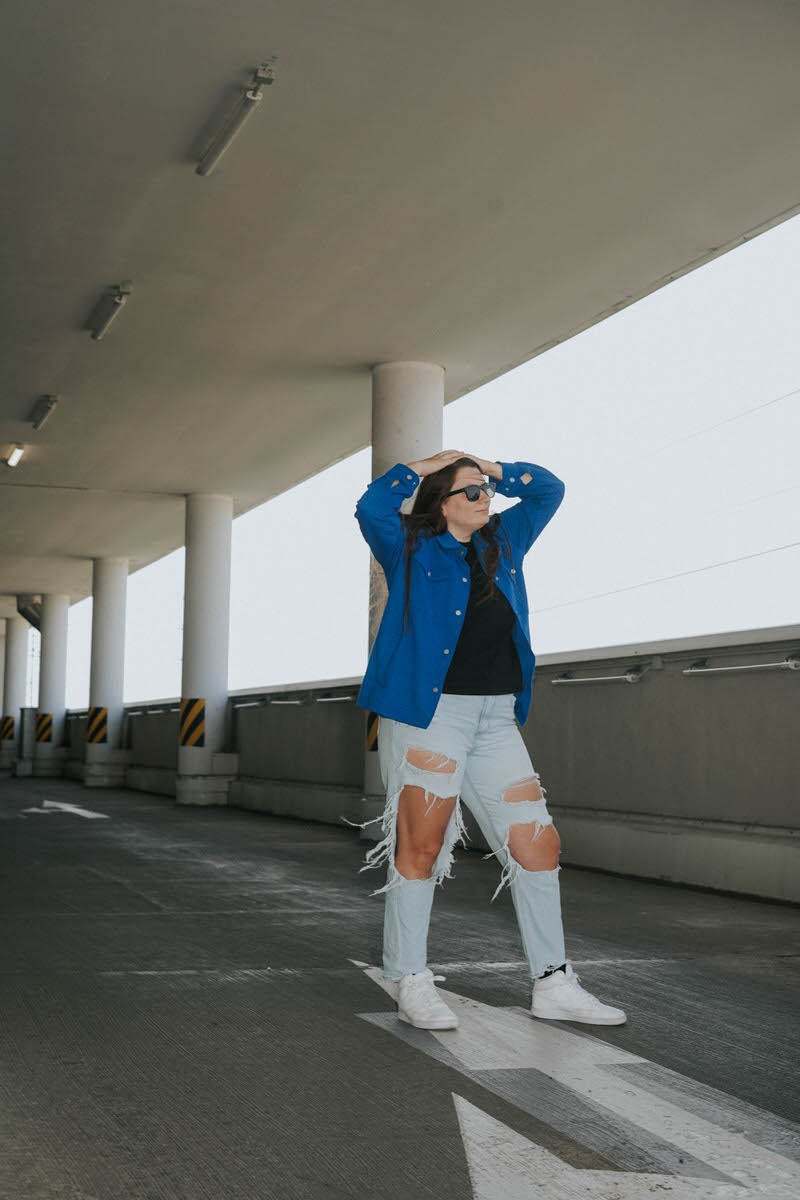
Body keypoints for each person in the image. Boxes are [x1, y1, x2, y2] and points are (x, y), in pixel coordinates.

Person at [347, 449, 626, 1030]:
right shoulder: (410, 546)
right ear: (441, 503)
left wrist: (493, 467)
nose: (485, 499)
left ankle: (553, 982)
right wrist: (424, 467)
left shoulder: (505, 541)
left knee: (537, 843)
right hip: (432, 716)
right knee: (421, 844)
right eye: (470, 492)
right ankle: (409, 977)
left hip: (497, 719)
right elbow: (370, 505)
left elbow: (549, 489)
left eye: (486, 491)